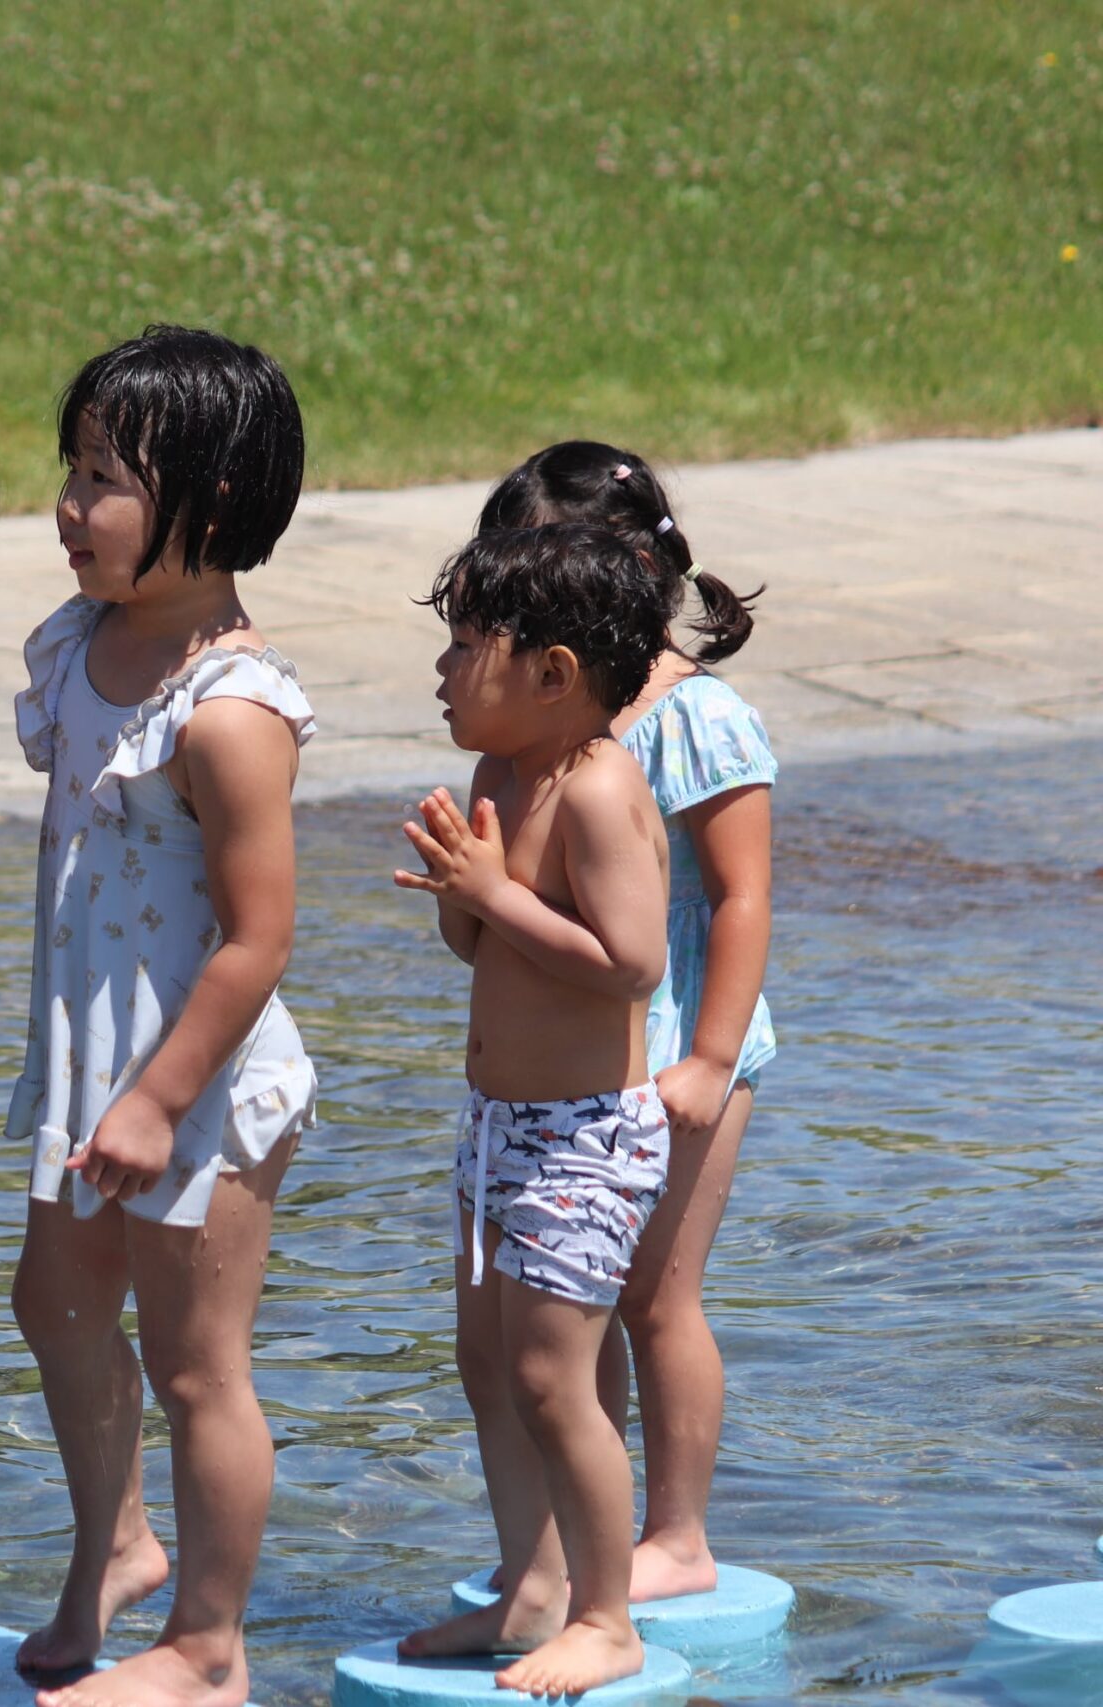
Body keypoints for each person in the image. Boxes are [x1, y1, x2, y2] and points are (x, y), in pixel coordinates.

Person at [8, 326, 317, 1707]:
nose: (73, 508)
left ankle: (209, 1644)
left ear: (217, 502)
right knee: (54, 1302)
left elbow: (258, 937)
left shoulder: (229, 710)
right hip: (94, 1059)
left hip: (200, 1080)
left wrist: (153, 1095)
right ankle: (118, 1543)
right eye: (70, 471)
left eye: (108, 482)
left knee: (201, 1367)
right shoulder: (79, 646)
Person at [474, 443, 774, 1603]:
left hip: (690, 1036)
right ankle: (579, 1546)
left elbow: (743, 893)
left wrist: (705, 1057)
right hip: (582, 1054)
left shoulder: (695, 717)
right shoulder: (541, 725)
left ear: (629, 575)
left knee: (654, 1296)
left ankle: (679, 1537)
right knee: (572, 1304)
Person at [392, 523, 673, 1696]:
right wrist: (463, 893)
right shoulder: (499, 777)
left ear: (552, 673)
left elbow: (630, 962)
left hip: (587, 1135)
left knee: (557, 1377)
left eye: (465, 647)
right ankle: (531, 1586)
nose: (443, 672)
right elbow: (481, 944)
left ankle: (607, 1618)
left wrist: (496, 895)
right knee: (487, 1361)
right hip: (497, 1126)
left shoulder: (600, 790)